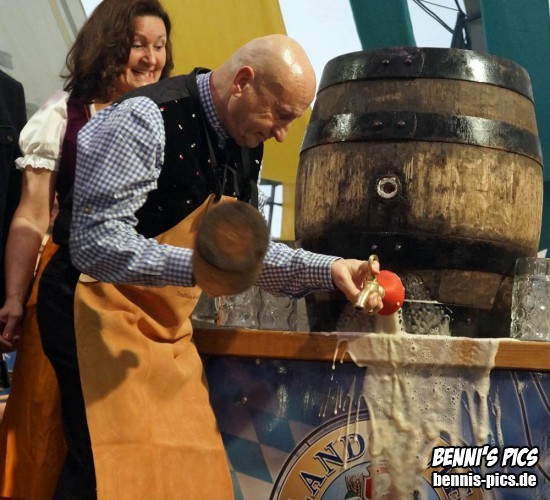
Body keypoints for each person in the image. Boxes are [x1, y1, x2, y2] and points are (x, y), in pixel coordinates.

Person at [48, 34, 384, 498]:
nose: (283, 133)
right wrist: (199, 267)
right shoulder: (144, 119)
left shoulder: (245, 140)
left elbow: (246, 256)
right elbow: (93, 243)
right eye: (281, 115)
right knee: (115, 473)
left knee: (196, 469)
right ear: (243, 82)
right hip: (93, 315)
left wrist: (329, 270)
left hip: (166, 332)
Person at [0, 0, 173, 497]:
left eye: (160, 46)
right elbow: (32, 214)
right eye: (138, 45)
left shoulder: (171, 118)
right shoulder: (64, 114)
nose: (151, 58)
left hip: (143, 297)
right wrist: (13, 297)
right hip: (67, 293)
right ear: (109, 46)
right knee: (49, 427)